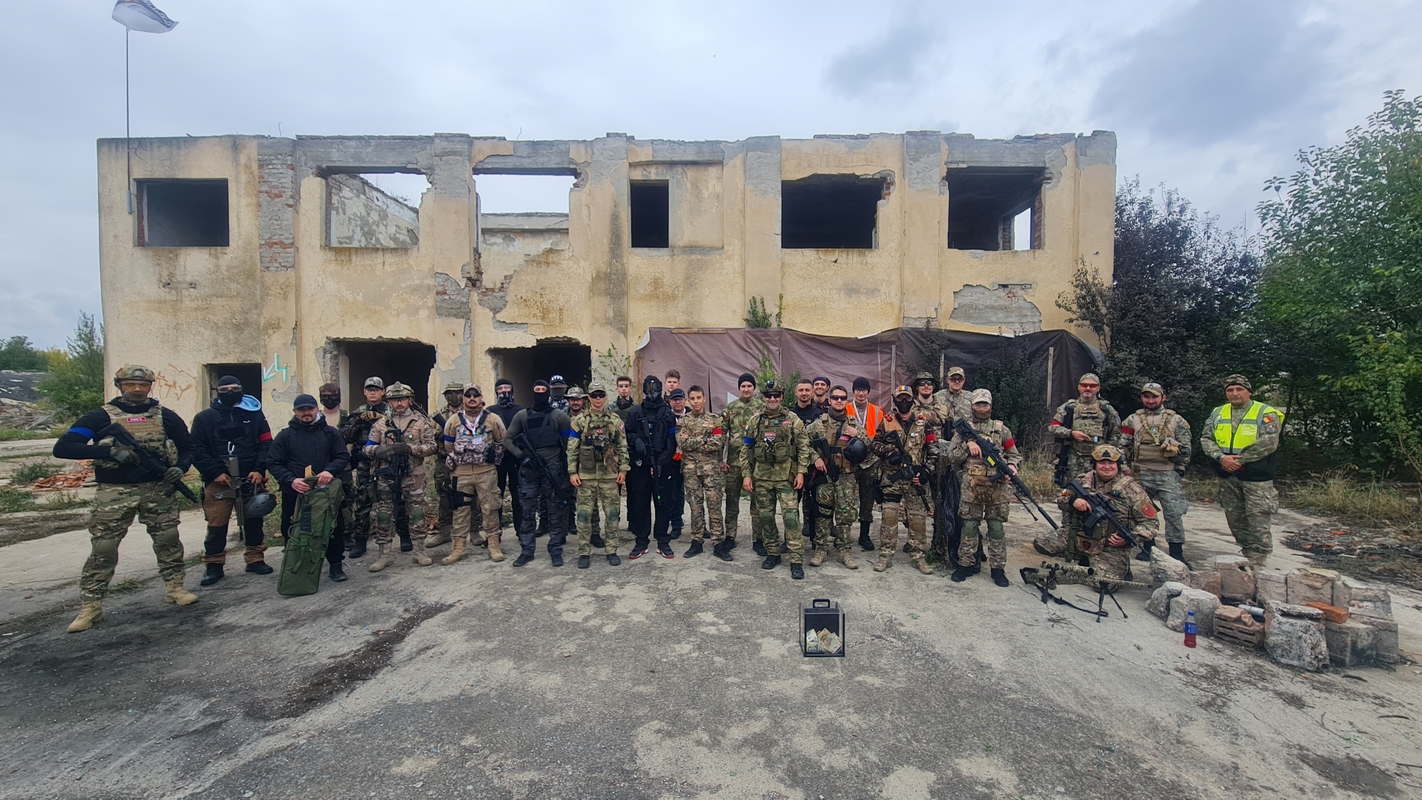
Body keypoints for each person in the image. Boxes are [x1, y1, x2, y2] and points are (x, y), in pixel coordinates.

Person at [56, 365, 198, 632]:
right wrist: (108, 453)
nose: (137, 389)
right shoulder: (100, 417)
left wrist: (181, 467)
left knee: (168, 540)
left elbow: (188, 447)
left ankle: (175, 588)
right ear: (119, 385)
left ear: (150, 387)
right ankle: (91, 605)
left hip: (157, 489)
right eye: (130, 384)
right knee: (104, 547)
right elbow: (64, 447)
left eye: (142, 385)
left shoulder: (165, 416)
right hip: (115, 491)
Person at [190, 375, 274, 585]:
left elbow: (266, 443)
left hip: (250, 478)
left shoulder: (254, 415)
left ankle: (255, 559)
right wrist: (214, 473)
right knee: (217, 524)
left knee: (254, 519)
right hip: (219, 479)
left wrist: (258, 469)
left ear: (241, 390)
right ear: (217, 392)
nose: (230, 393)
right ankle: (214, 565)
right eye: (225, 390)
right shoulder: (204, 418)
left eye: (235, 389)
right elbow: (196, 449)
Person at [1200, 375, 1284, 567]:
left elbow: (1269, 441)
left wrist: (1240, 460)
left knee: (1257, 517)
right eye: (1230, 390)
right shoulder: (1218, 412)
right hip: (1227, 474)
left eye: (1239, 389)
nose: (1235, 393)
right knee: (1235, 517)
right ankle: (1247, 552)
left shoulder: (1265, 412)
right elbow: (1206, 438)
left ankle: (1258, 558)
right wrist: (1221, 458)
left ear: (1249, 392)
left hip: (1256, 476)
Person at [1036, 373, 1122, 558]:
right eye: (1084, 385)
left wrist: (1109, 458)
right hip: (1073, 461)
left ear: (1098, 388)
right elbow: (1053, 427)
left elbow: (1116, 434)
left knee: (1100, 500)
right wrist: (1071, 433)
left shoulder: (1106, 409)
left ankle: (1098, 540)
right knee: (1070, 498)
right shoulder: (1069, 407)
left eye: (1092, 385)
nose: (1088, 388)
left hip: (1098, 465)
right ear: (1079, 387)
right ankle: (1068, 537)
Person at [268, 394, 351, 583]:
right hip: (295, 492)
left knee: (333, 527)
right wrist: (291, 480)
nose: (306, 413)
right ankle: (296, 567)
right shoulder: (285, 436)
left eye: (309, 409)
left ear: (317, 410)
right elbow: (273, 462)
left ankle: (336, 566)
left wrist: (329, 471)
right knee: (291, 528)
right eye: (301, 410)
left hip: (326, 492)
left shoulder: (330, 433)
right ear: (295, 412)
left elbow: (342, 456)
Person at [361, 382, 439, 571]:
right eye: (395, 400)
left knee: (417, 513)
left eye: (402, 399)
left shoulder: (420, 422)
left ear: (409, 400)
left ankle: (419, 552)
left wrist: (410, 449)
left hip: (413, 475)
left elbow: (432, 446)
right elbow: (367, 447)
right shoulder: (381, 424)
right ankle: (384, 555)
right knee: (383, 515)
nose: (399, 403)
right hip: (387, 476)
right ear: (389, 401)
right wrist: (378, 450)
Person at [945, 389, 1020, 586]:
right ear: (972, 406)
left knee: (996, 527)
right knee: (969, 527)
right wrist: (967, 446)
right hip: (972, 486)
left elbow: (1014, 454)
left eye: (984, 404)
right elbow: (951, 457)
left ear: (991, 406)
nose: (981, 408)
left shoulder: (1001, 430)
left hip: (997, 487)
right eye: (978, 404)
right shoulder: (963, 431)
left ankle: (998, 568)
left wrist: (1013, 466)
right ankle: (966, 564)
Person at [740, 380, 811, 579]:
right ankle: (773, 553)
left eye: (776, 395)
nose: (772, 399)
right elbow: (745, 449)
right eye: (768, 395)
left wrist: (801, 472)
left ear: (782, 397)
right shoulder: (755, 421)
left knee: (791, 518)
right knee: (765, 517)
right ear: (763, 397)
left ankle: (796, 559)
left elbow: (803, 447)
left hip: (785, 478)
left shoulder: (792, 419)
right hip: (761, 478)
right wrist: (746, 475)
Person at [1056, 445, 1158, 581]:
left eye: (1111, 463)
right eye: (1102, 463)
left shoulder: (1134, 490)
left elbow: (1151, 523)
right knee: (1042, 544)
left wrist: (1129, 538)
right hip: (1078, 538)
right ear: (1095, 465)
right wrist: (1073, 500)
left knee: (1104, 583)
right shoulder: (1083, 481)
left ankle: (1117, 568)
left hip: (1110, 547)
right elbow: (1061, 498)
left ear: (1118, 465)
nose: (1107, 466)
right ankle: (1083, 558)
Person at [502, 380, 575, 566]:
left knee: (555, 510)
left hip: (553, 468)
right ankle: (527, 550)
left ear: (548, 392)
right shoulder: (522, 416)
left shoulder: (559, 416)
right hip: (529, 470)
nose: (541, 393)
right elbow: (507, 440)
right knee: (527, 510)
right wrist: (521, 456)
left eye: (544, 390)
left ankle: (556, 549)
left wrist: (568, 470)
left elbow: (569, 445)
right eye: (537, 390)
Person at [870, 385, 939, 574]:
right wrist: (889, 452)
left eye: (907, 398)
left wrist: (926, 471)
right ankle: (885, 555)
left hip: (914, 479)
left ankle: (918, 556)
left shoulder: (924, 423)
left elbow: (933, 450)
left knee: (918, 519)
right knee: (889, 517)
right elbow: (874, 444)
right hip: (891, 479)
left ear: (912, 399)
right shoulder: (887, 421)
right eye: (900, 398)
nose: (904, 401)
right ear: (895, 399)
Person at [1121, 382, 1192, 564]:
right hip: (1140, 473)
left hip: (1167, 473)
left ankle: (1176, 552)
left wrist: (1178, 461)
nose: (1150, 400)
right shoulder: (1132, 420)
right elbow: (1122, 445)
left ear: (1163, 397)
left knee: (1173, 514)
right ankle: (1148, 547)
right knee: (1143, 512)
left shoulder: (1177, 420)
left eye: (1154, 396)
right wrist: (1125, 468)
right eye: (1147, 396)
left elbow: (1186, 449)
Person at [440, 384, 508, 564]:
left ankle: (493, 544)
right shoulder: (454, 420)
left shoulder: (492, 419)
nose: (472, 398)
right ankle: (459, 548)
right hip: (461, 473)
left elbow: (503, 441)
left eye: (475, 395)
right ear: (463, 398)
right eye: (468, 395)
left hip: (486, 472)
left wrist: (490, 454)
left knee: (490, 508)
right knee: (460, 510)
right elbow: (448, 445)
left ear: (481, 397)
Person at [567, 381, 628, 568]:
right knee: (583, 515)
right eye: (594, 395)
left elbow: (622, 446)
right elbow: (572, 448)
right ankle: (584, 552)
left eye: (601, 395)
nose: (598, 398)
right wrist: (572, 471)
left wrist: (623, 469)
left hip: (609, 474)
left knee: (612, 514)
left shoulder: (614, 420)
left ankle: (612, 550)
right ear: (589, 398)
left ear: (605, 396)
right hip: (586, 475)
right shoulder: (580, 421)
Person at [805, 386, 866, 570]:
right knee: (823, 514)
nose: (839, 401)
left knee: (845, 515)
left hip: (846, 476)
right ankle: (821, 549)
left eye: (842, 398)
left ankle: (844, 550)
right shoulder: (818, 424)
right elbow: (803, 443)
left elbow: (869, 444)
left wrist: (858, 434)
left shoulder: (853, 424)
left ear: (846, 401)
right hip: (825, 477)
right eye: (835, 398)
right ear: (829, 400)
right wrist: (815, 459)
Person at [624, 375, 679, 559]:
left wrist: (662, 461)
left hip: (663, 465)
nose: (652, 393)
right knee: (640, 503)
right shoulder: (635, 412)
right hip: (640, 465)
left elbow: (672, 440)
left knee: (663, 503)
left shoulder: (668, 413)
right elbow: (628, 433)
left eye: (655, 389)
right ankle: (641, 541)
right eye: (649, 389)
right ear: (644, 390)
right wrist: (636, 441)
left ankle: (663, 540)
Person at [676, 385, 728, 559]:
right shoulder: (683, 421)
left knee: (714, 507)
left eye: (699, 398)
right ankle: (696, 541)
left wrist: (694, 440)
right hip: (691, 471)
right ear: (688, 400)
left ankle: (718, 543)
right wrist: (705, 439)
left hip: (711, 471)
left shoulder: (715, 420)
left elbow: (718, 443)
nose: (696, 401)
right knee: (695, 507)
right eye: (693, 398)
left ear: (704, 399)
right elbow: (682, 443)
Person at [341, 376, 388, 559]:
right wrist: (357, 421)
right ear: (364, 392)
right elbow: (346, 436)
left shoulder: (391, 410)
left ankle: (403, 537)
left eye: (376, 389)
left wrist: (383, 419)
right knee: (362, 501)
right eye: (369, 390)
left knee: (393, 500)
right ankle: (360, 540)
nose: (372, 393)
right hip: (364, 463)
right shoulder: (358, 412)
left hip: (385, 460)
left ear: (382, 392)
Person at [721, 373, 762, 552]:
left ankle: (758, 538)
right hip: (734, 463)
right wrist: (720, 460)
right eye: (743, 386)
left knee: (757, 504)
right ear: (739, 388)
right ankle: (730, 536)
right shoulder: (730, 408)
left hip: (756, 463)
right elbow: (720, 434)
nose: (746, 389)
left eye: (749, 386)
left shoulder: (762, 407)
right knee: (731, 502)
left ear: (754, 388)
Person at [315, 382, 355, 552]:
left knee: (346, 500)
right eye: (325, 396)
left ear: (339, 397)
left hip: (343, 466)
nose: (329, 399)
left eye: (333, 396)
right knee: (320, 500)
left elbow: (353, 441)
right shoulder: (315, 417)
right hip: (321, 466)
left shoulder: (347, 418)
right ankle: (322, 534)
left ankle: (347, 533)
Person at [428, 381, 466, 549]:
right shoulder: (438, 415)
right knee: (444, 495)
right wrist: (440, 434)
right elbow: (429, 435)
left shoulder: (469, 412)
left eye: (457, 393)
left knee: (469, 494)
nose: (453, 396)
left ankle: (472, 530)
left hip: (466, 459)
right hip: (444, 459)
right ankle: (444, 531)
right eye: (450, 393)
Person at [847, 376, 884, 551]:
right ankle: (844, 534)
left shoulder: (877, 411)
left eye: (864, 390)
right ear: (853, 391)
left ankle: (864, 535)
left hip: (871, 461)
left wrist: (860, 435)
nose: (861, 393)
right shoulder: (846, 408)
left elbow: (880, 437)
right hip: (850, 460)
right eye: (858, 390)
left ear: (868, 392)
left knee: (867, 499)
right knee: (846, 498)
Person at [789, 378, 822, 548]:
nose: (804, 393)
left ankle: (816, 540)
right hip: (793, 467)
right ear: (796, 392)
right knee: (791, 505)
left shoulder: (820, 414)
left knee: (816, 504)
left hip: (814, 467)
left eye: (807, 390)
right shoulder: (788, 414)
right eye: (801, 390)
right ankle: (791, 540)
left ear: (812, 392)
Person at [489, 378, 523, 537]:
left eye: (506, 388)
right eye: (500, 388)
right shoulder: (489, 412)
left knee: (518, 495)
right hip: (497, 460)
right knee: (496, 495)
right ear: (496, 391)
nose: (503, 391)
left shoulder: (520, 411)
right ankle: (495, 532)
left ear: (512, 390)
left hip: (516, 458)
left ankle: (521, 531)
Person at [667, 387, 688, 538]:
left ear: (685, 400)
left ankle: (701, 526)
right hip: (673, 462)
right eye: (675, 399)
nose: (678, 402)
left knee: (695, 494)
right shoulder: (666, 417)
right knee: (674, 494)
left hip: (692, 461)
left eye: (680, 399)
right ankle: (676, 524)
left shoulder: (692, 415)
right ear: (670, 402)